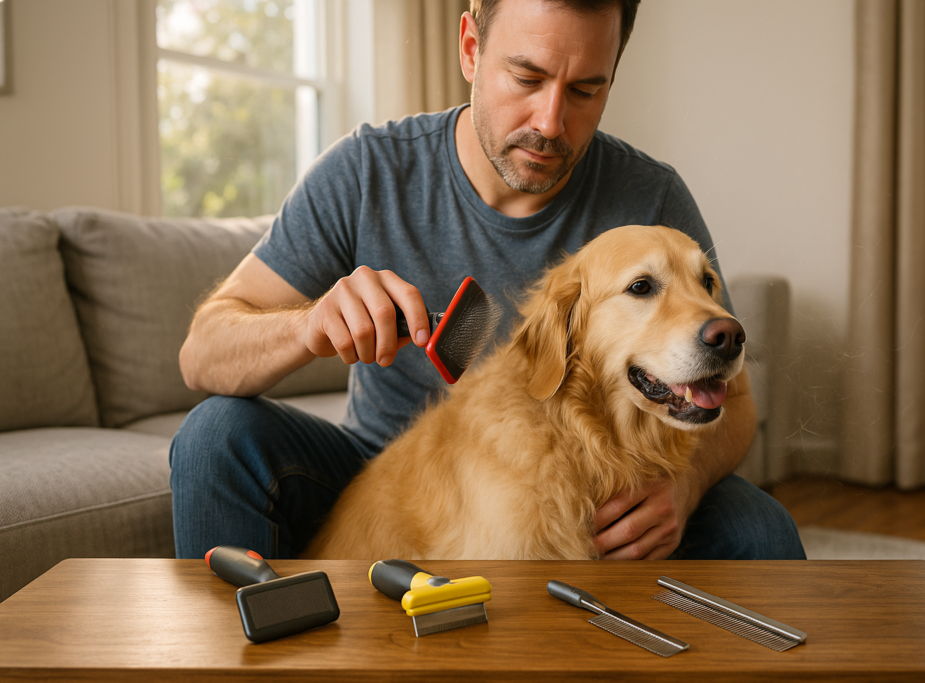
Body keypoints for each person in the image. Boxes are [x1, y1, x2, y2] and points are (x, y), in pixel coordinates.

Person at [170, 0, 806, 562]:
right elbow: (202, 354)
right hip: (377, 473)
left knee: (760, 532)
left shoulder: (651, 195)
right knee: (214, 437)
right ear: (471, 48)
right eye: (526, 76)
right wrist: (306, 327)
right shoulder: (366, 170)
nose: (551, 122)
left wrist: (684, 489)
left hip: (601, 481)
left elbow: (735, 403)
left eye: (586, 89)